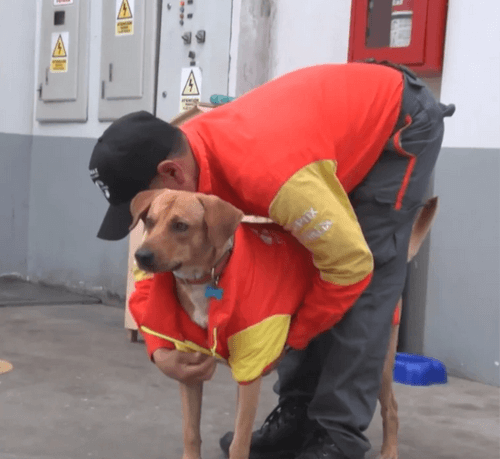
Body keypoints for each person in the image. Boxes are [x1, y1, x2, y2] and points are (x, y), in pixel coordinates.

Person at [89, 61, 454, 459]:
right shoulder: (184, 160)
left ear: (172, 172)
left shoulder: (272, 176)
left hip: (400, 125)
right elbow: (154, 265)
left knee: (366, 269)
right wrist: (159, 346)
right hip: (326, 139)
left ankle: (337, 434)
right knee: (306, 260)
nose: (147, 221)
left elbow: (351, 266)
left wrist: (291, 338)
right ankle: (297, 413)